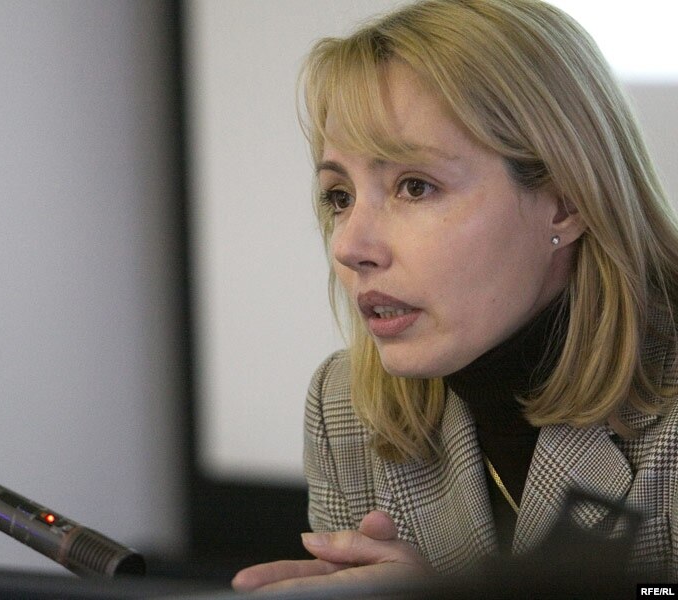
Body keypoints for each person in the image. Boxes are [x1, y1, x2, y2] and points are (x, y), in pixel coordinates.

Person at [232, 0, 678, 592]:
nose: (350, 246)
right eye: (340, 197)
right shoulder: (345, 412)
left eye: (415, 187)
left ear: (566, 202)